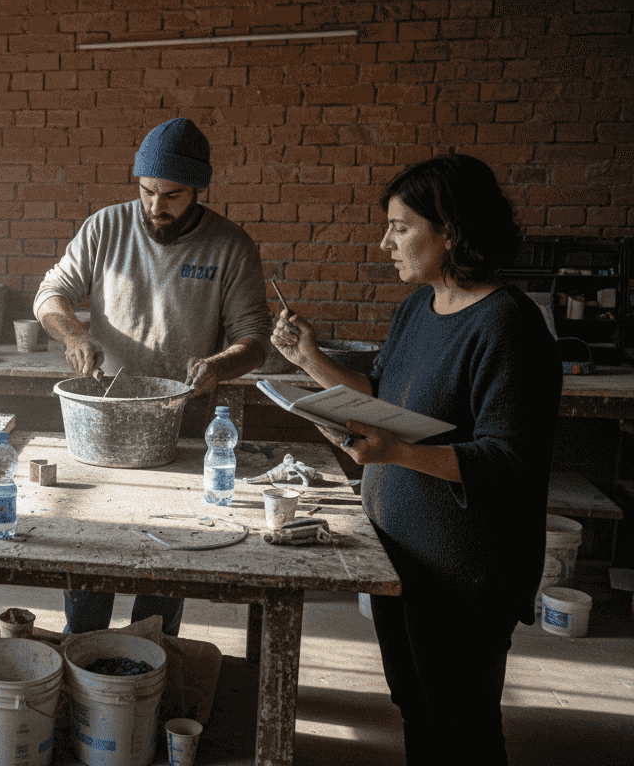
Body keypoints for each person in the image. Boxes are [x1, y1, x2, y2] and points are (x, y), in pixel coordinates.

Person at [271, 154, 560, 765]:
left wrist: (396, 453)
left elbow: (508, 461)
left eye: (400, 228)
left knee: (463, 721)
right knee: (414, 702)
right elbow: (383, 395)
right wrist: (309, 362)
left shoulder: (507, 323)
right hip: (400, 550)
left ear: (450, 231)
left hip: (465, 568)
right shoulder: (418, 307)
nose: (386, 243)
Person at [33, 118, 273, 636]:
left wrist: (217, 366)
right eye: (146, 191)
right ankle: (85, 649)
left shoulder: (231, 247)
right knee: (95, 550)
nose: (156, 207)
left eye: (172, 195)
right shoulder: (105, 228)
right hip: (106, 413)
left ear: (199, 189)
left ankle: (154, 656)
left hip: (185, 415)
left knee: (167, 558)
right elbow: (50, 295)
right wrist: (75, 336)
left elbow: (254, 338)